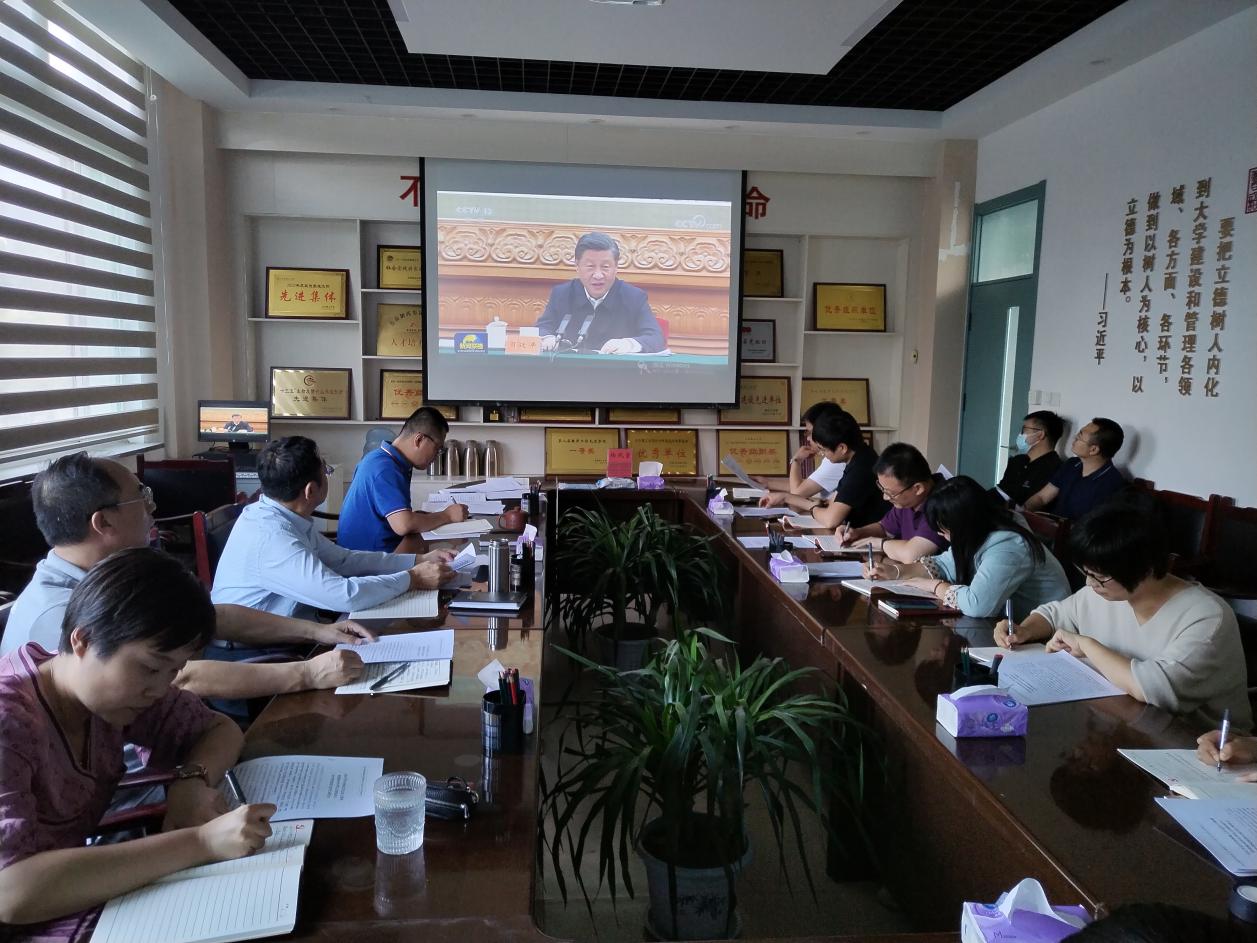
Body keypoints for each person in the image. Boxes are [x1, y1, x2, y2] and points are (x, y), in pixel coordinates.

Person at [0, 548, 275, 939]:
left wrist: (190, 783)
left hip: (76, 897)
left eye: (174, 671)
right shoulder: (10, 719)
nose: (160, 688)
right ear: (83, 640)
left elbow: (219, 728)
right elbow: (12, 892)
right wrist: (200, 841)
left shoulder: (108, 695)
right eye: (150, 667)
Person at [2, 452, 371, 700]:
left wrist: (318, 631)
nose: (152, 507)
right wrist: (307, 674)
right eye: (141, 496)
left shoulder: (121, 572)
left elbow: (212, 616)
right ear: (104, 522)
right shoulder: (58, 615)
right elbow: (178, 678)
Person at [995, 503, 1251, 730]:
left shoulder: (1207, 617)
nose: (1090, 583)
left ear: (1145, 569)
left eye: (1099, 576)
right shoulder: (1106, 592)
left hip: (1198, 744)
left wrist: (1087, 645)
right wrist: (1025, 630)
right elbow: (1054, 614)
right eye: (1086, 572)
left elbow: (1156, 689)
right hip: (1122, 724)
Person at [212, 436, 454, 622]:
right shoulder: (274, 538)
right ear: (310, 491)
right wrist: (413, 578)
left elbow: (344, 560)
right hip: (257, 650)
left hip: (299, 623)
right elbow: (345, 596)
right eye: (326, 471)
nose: (327, 475)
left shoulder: (282, 516)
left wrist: (418, 560)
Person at [864, 476, 1070, 619]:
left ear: (965, 523)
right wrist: (896, 571)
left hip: (1042, 635)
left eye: (945, 530)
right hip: (1005, 625)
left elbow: (978, 605)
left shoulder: (1008, 545)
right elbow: (944, 564)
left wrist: (936, 586)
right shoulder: (980, 530)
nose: (942, 536)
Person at [337, 406, 469, 553]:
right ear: (419, 439)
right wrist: (447, 515)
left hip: (374, 550)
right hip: (367, 559)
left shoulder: (381, 458)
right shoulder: (384, 469)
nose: (436, 456)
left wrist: (428, 517)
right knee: (451, 557)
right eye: (437, 448)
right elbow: (404, 525)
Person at [535, 232, 665, 355]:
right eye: (590, 266)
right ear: (577, 266)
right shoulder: (562, 294)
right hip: (569, 370)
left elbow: (655, 338)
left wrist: (628, 344)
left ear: (616, 267)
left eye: (605, 267)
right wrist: (547, 338)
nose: (598, 275)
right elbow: (542, 328)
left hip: (616, 370)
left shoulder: (634, 297)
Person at [838, 443, 948, 563]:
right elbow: (884, 528)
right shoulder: (909, 499)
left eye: (890, 493)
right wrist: (857, 532)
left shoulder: (943, 504)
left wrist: (880, 544)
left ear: (918, 489)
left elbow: (911, 555)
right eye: (882, 489)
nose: (885, 497)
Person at [779, 411, 885, 529]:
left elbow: (831, 520)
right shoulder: (862, 455)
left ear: (842, 448)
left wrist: (811, 507)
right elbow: (834, 502)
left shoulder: (861, 468)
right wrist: (787, 497)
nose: (822, 454)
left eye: (823, 450)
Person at [1024, 417, 1126, 519]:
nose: (1074, 438)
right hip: (1050, 524)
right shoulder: (1072, 464)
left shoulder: (1111, 484)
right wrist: (1022, 511)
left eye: (1079, 437)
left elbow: (1091, 525)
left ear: (1093, 450)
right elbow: (1042, 497)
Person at [757, 401, 848, 509]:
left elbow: (797, 493)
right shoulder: (834, 457)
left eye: (809, 432)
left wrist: (796, 461)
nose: (808, 438)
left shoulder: (835, 462)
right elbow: (807, 484)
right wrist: (767, 482)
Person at [993, 410, 1063, 507]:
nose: (1020, 435)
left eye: (1024, 430)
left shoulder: (1055, 468)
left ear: (1040, 435)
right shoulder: (1017, 460)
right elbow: (1001, 491)